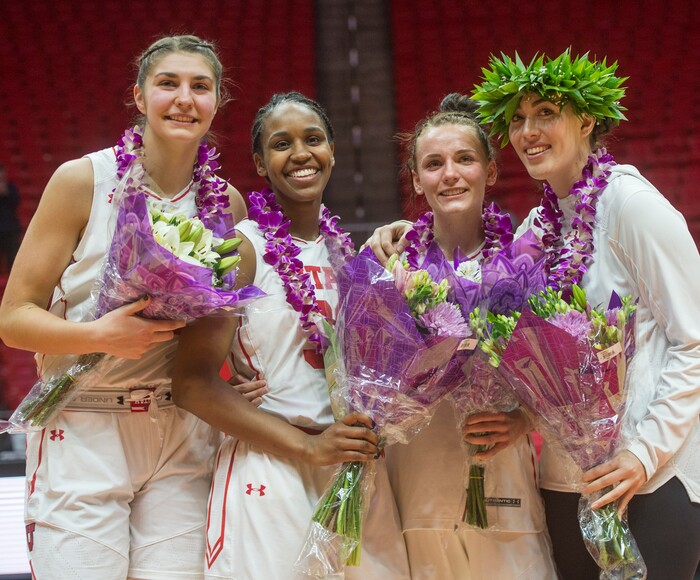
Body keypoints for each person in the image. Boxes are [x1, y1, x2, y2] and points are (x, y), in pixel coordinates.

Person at [370, 50, 700, 580]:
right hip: (566, 485)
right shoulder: (535, 234)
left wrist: (643, 454)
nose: (528, 131)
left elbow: (695, 339)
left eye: (545, 113)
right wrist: (524, 418)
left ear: (587, 119)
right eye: (518, 119)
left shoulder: (631, 205)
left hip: (647, 481)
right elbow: (542, 357)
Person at [0, 35, 250, 579]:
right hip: (83, 423)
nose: (185, 98)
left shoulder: (225, 202)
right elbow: (14, 320)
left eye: (200, 87)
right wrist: (99, 336)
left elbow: (214, 325)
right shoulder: (81, 181)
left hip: (179, 430)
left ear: (216, 103)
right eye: (168, 83)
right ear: (139, 98)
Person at [172, 92, 410, 580]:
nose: (301, 154)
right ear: (260, 162)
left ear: (333, 152)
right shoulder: (241, 248)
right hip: (272, 464)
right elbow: (192, 383)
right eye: (282, 144)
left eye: (313, 139)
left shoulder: (351, 258)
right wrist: (308, 448)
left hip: (353, 467)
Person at [380, 93, 556, 580]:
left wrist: (525, 418)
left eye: (464, 159)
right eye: (433, 164)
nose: (450, 174)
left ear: (491, 171)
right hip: (417, 494)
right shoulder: (389, 267)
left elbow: (562, 374)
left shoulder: (527, 262)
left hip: (507, 493)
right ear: (417, 179)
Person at [0, 163, 22, 273]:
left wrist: (6, 193)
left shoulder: (10, 187)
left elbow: (17, 202)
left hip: (10, 229)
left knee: (13, 260)